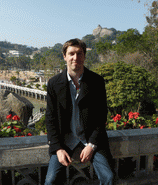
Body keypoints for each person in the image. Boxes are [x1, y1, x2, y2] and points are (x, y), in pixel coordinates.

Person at [45, 38, 114, 185]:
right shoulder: (54, 83)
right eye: (71, 53)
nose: (75, 58)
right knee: (50, 181)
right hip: (64, 142)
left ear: (84, 56)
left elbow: (101, 116)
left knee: (109, 178)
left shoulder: (96, 81)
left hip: (91, 140)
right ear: (64, 56)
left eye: (79, 53)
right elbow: (50, 118)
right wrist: (57, 148)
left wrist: (92, 145)